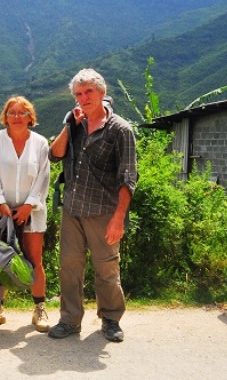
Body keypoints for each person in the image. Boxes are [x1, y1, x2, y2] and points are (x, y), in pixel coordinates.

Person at [48, 69, 137, 343]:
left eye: (88, 92)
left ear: (101, 92)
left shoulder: (121, 130)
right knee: (69, 267)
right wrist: (69, 126)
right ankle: (70, 320)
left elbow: (128, 177)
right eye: (78, 94)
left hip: (103, 211)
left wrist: (118, 218)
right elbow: (54, 155)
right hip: (73, 208)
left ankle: (110, 319)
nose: (83, 98)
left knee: (106, 268)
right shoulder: (75, 124)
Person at [0, 96, 51, 331]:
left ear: (31, 117)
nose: (17, 117)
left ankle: (39, 309)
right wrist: (2, 206)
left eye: (22, 113)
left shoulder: (40, 143)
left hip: (31, 211)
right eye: (12, 112)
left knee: (34, 261)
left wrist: (27, 206)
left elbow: (43, 177)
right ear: (5, 116)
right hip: (1, 212)